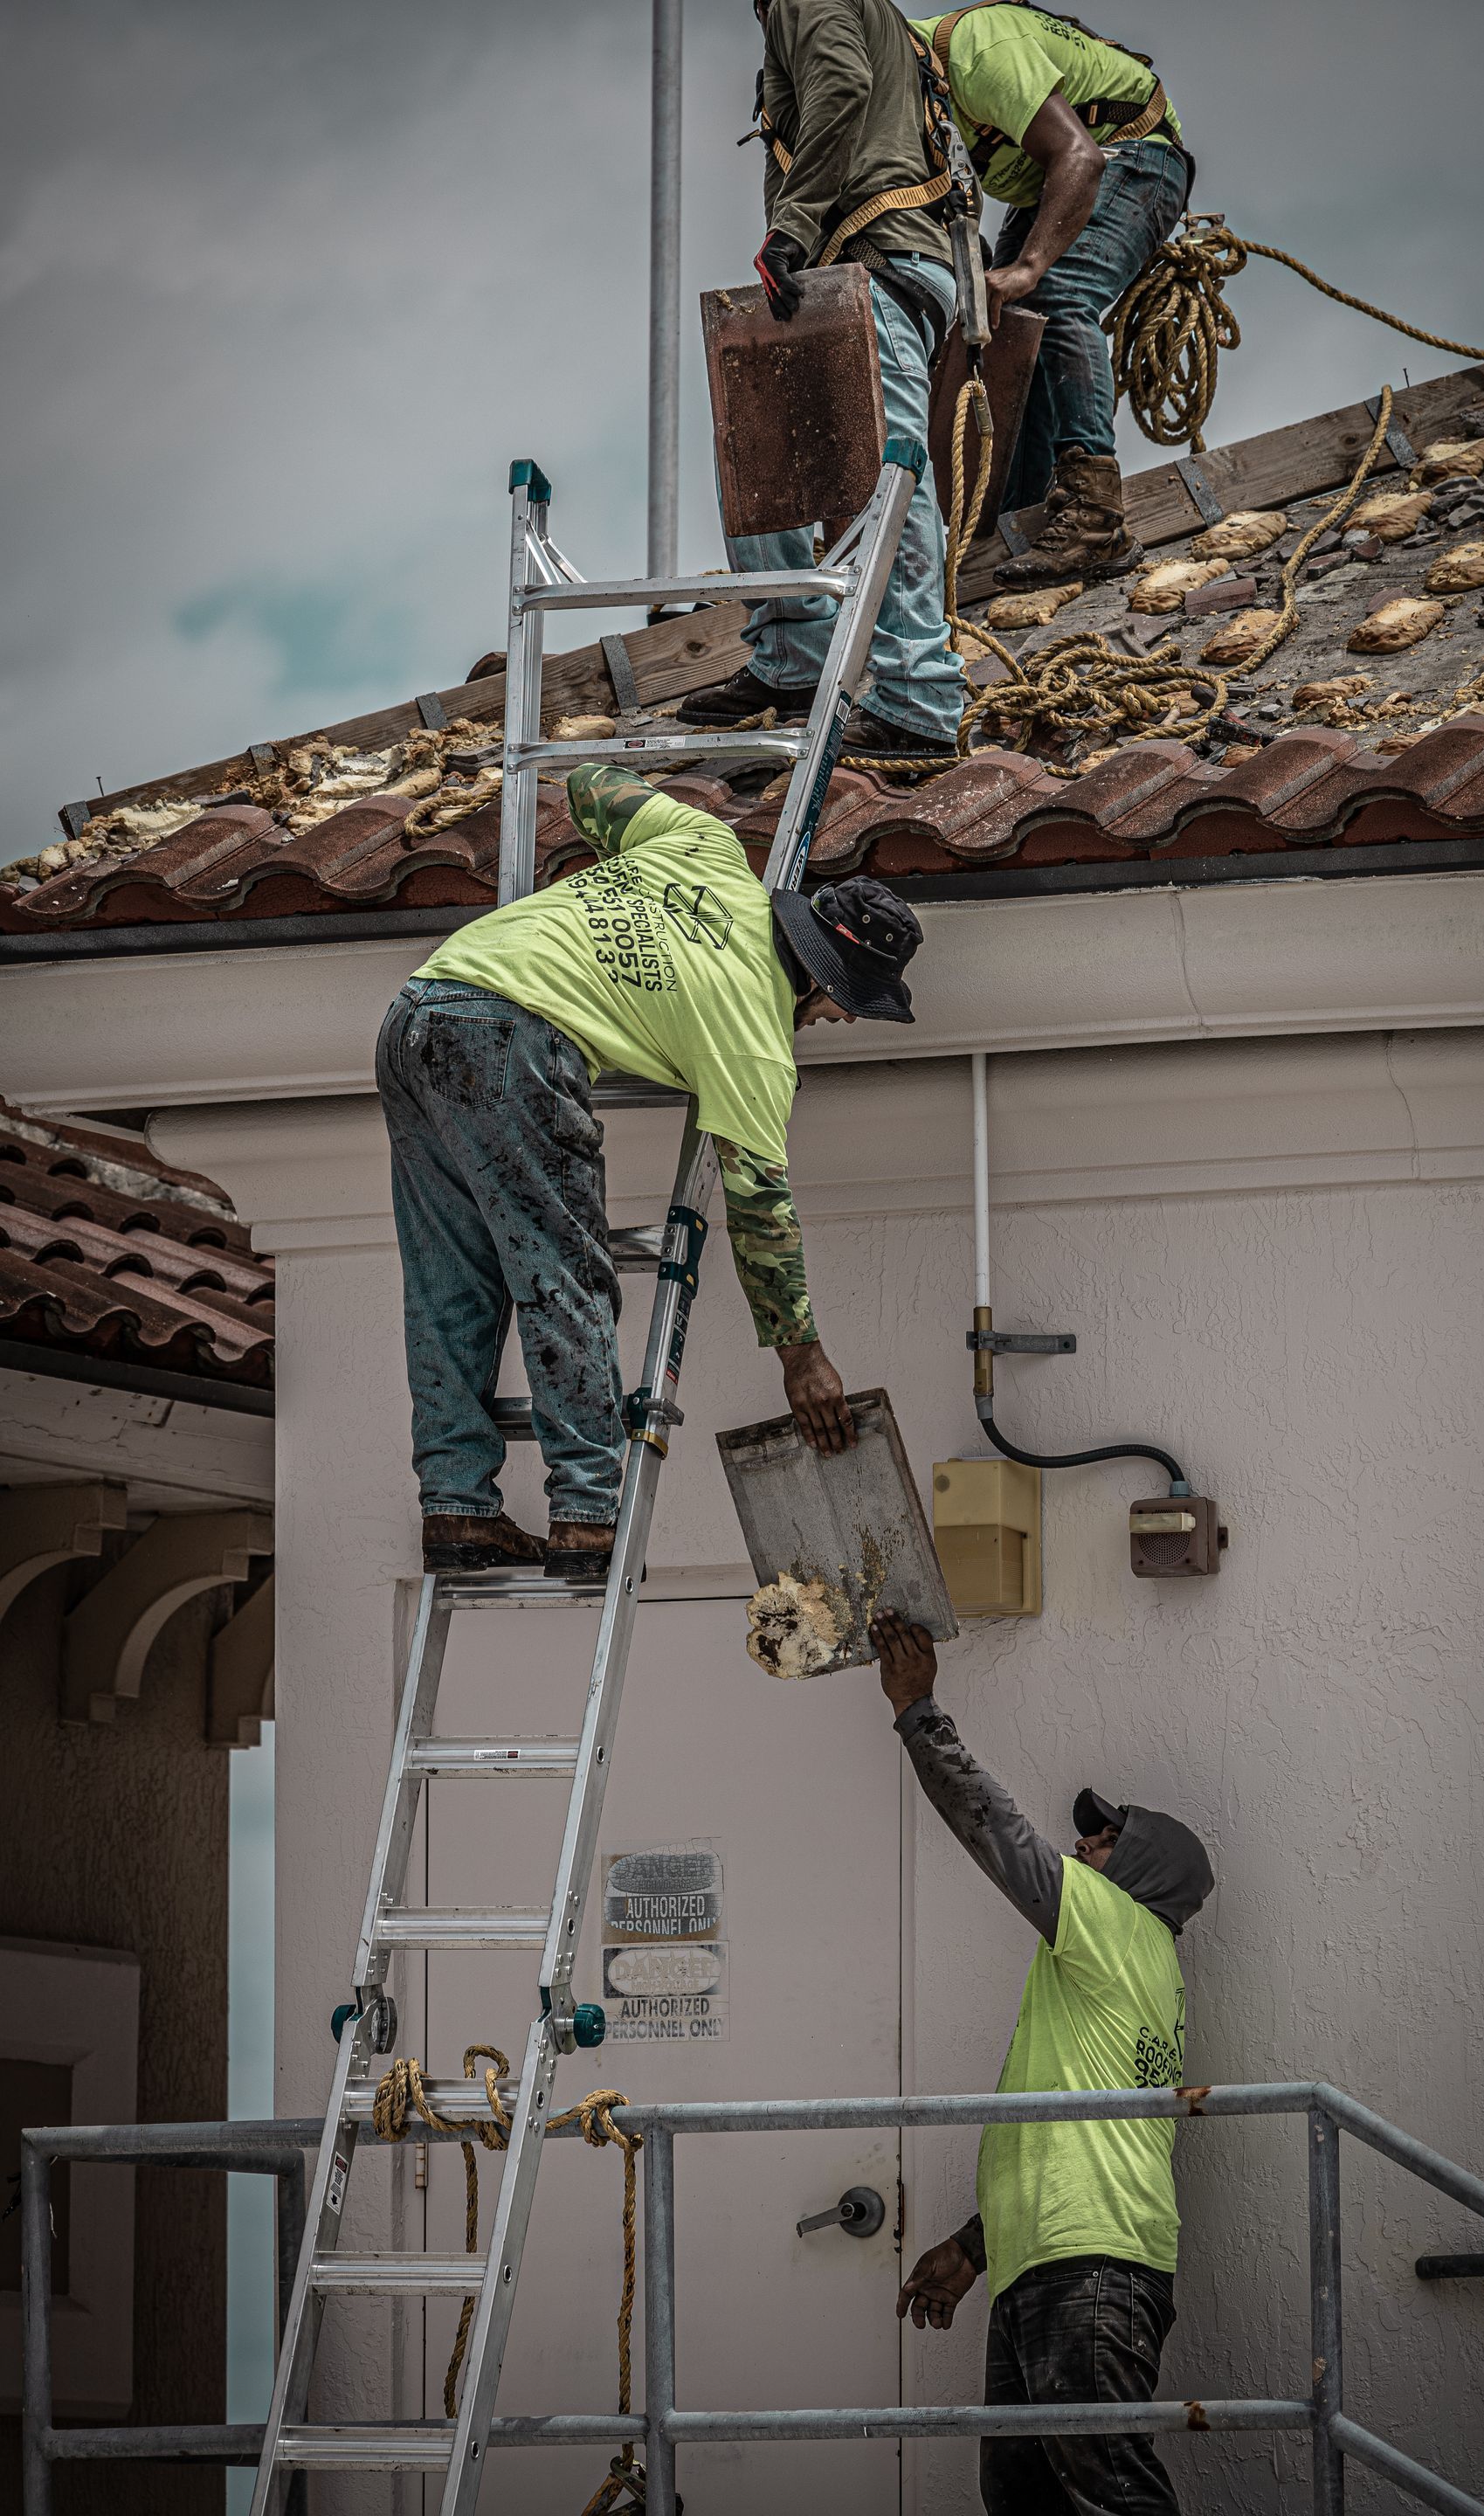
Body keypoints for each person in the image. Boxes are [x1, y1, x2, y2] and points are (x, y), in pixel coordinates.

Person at [376, 762, 925, 1579]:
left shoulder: (703, 847)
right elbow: (761, 1211)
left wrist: (612, 917)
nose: (840, 1020)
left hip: (419, 1011)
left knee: (451, 1280)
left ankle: (458, 1510)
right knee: (565, 1279)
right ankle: (588, 1515)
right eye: (851, 1003)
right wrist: (802, 1358)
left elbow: (592, 784)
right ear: (827, 976)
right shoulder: (756, 1040)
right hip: (514, 1043)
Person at [871, 1607, 1213, 2516]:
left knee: (1107, 2491)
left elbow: (999, 1833)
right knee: (1028, 2492)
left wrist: (919, 1712)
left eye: (1101, 1843)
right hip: (1068, 2258)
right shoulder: (1133, 1965)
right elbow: (1078, 2138)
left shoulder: (1117, 1924)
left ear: (1140, 1876)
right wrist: (976, 2248)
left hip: (1088, 2269)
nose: (1079, 1850)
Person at [678, 0, 968, 765]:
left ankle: (919, 700)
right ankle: (796, 658)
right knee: (759, 443)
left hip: (875, 259)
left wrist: (795, 225)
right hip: (854, 266)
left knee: (886, 481)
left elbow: (840, 82)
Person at [909, 3, 1190, 588]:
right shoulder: (912, 103)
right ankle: (1020, 517)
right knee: (1010, 323)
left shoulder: (976, 53)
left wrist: (1031, 264)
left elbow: (1080, 158)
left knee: (1059, 296)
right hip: (1049, 184)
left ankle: (1094, 519)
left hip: (1128, 156)